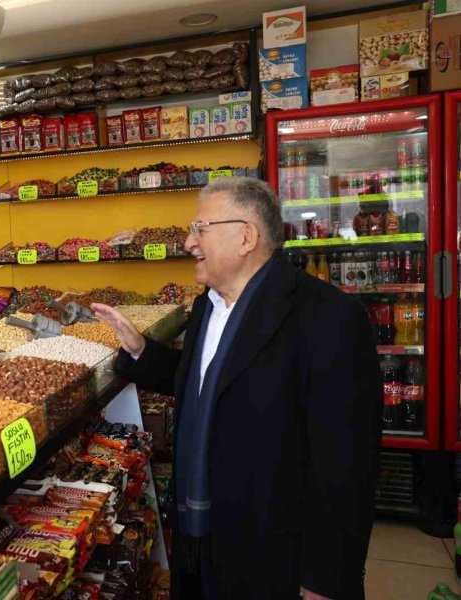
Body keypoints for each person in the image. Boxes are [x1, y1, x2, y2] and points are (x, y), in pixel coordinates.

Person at [92, 177, 382, 600]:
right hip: (201, 540)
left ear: (246, 236)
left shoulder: (329, 319)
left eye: (199, 228)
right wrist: (140, 351)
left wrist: (325, 579)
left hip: (273, 556)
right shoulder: (206, 306)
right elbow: (207, 383)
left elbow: (347, 466)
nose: (189, 242)